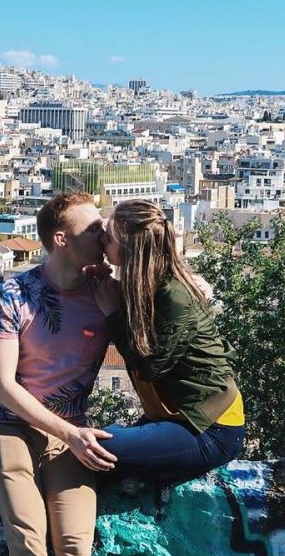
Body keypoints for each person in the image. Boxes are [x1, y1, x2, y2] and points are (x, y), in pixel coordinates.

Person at [0, 192, 117, 556]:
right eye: (94, 229)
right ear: (62, 239)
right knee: (28, 540)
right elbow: (4, 385)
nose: (103, 236)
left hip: (70, 427)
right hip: (9, 424)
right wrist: (72, 435)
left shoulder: (104, 294)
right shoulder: (14, 295)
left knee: (75, 544)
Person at [91, 199, 244, 477]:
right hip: (176, 415)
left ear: (131, 249)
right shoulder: (147, 285)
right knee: (98, 441)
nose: (102, 240)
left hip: (210, 426)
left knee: (96, 447)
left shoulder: (173, 295)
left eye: (109, 237)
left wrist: (112, 314)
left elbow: (150, 366)